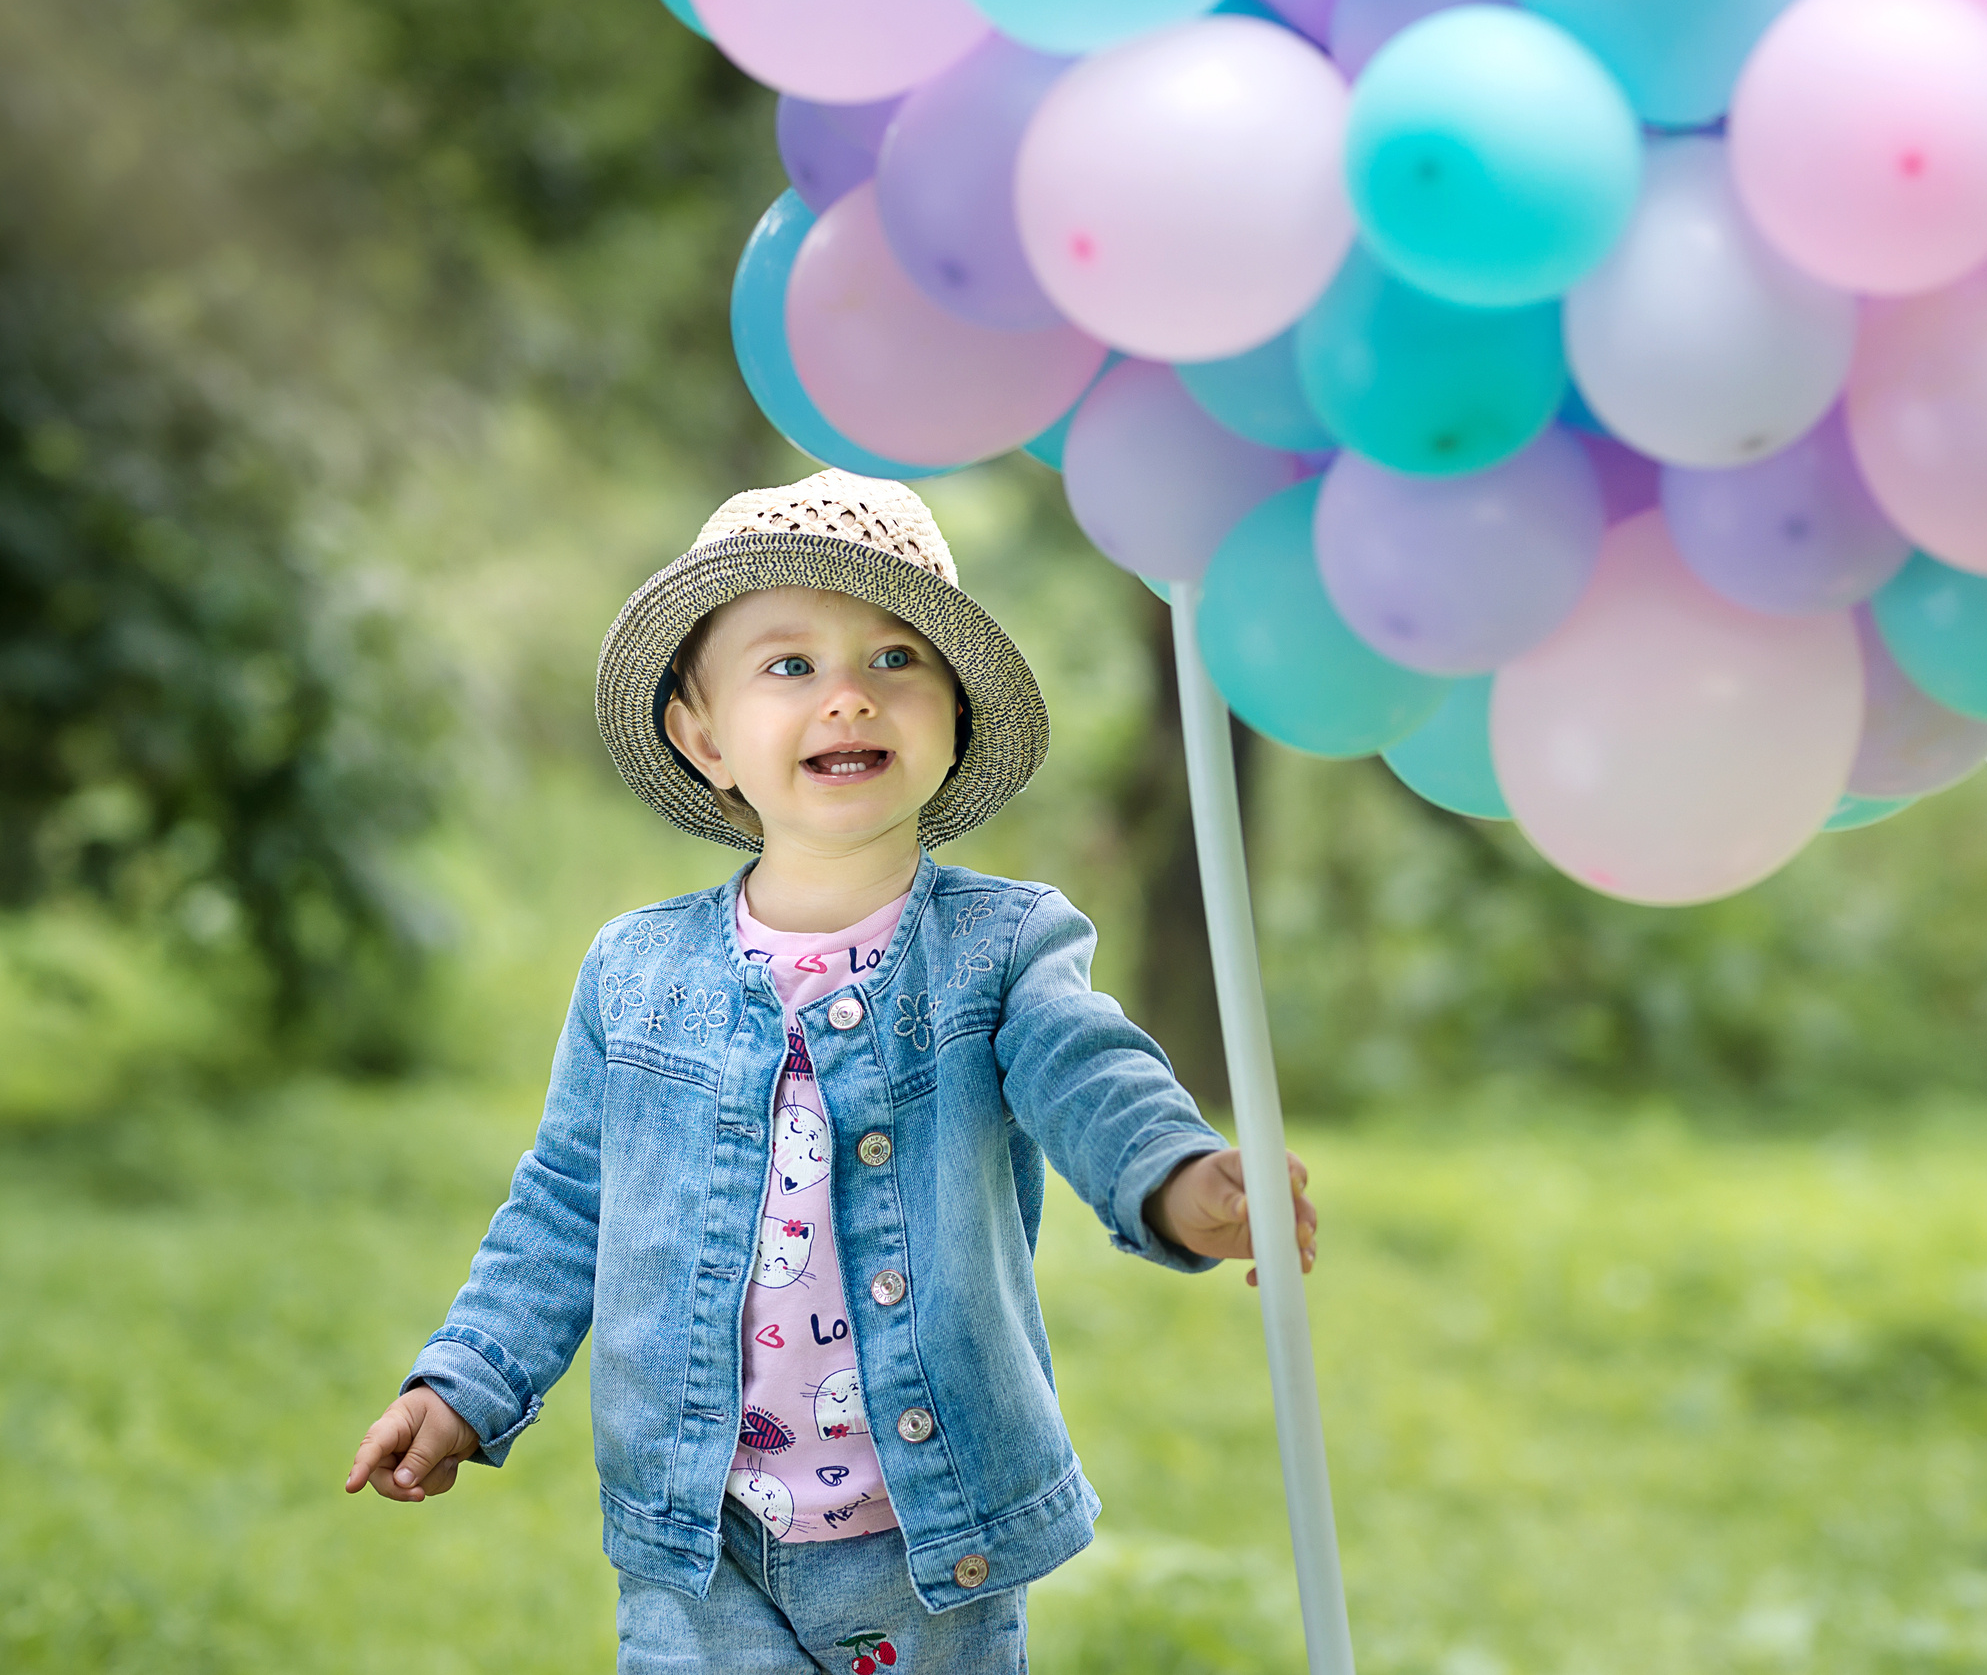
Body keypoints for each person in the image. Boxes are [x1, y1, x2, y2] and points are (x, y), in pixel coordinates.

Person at [342, 470, 1318, 1673]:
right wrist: (466, 1381)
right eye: (790, 664)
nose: (849, 694)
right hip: (699, 1543)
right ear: (704, 738)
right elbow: (563, 1206)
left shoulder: (999, 948)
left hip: (927, 1538)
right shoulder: (636, 973)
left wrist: (1173, 1173)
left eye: (896, 659)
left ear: (953, 716)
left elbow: (1086, 1068)